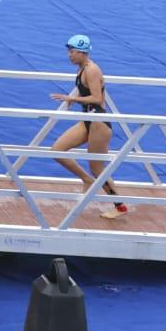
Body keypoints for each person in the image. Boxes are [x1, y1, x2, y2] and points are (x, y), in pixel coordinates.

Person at [48, 34, 129, 217]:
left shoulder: (92, 70)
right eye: (69, 51)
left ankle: (120, 206)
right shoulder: (81, 68)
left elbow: (97, 99)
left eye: (72, 52)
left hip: (98, 123)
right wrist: (74, 99)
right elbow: (88, 93)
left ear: (82, 52)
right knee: (57, 150)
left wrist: (72, 98)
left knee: (97, 168)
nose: (69, 55)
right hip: (88, 120)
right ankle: (86, 179)